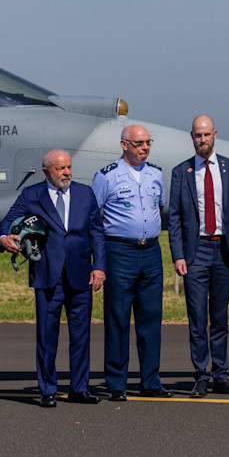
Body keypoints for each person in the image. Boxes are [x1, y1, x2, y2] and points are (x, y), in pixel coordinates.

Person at [0, 149, 106, 408]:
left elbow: (97, 233)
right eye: (60, 169)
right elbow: (8, 221)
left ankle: (79, 388)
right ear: (47, 171)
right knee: (47, 336)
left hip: (81, 275)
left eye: (68, 167)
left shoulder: (85, 193)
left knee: (81, 336)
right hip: (48, 276)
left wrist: (100, 267)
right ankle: (47, 389)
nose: (66, 172)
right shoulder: (32, 195)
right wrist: (4, 238)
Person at [168, 115, 229, 397]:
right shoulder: (182, 172)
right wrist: (177, 254)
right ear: (192, 137)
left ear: (215, 134)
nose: (203, 140)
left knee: (220, 317)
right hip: (195, 252)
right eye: (198, 135)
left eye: (207, 135)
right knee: (197, 317)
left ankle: (221, 375)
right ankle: (201, 375)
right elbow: (175, 217)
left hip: (224, 251)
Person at [91, 124, 171, 400]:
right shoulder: (106, 176)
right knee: (118, 319)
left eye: (148, 142)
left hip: (150, 251)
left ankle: (151, 380)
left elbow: (158, 208)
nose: (144, 148)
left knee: (151, 318)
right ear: (124, 145)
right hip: (119, 252)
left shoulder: (156, 174)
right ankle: (116, 383)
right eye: (138, 143)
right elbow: (94, 217)